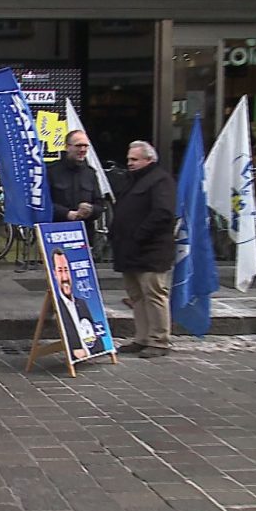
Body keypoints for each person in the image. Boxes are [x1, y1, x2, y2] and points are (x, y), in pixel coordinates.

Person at [110, 140, 177, 358]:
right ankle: (142, 337)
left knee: (154, 294)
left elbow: (163, 213)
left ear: (149, 159)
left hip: (151, 250)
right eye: (129, 159)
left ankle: (159, 340)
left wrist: (139, 235)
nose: (129, 163)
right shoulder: (132, 180)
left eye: (134, 159)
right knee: (136, 296)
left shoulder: (160, 180)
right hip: (130, 251)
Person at [48, 130, 104, 243]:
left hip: (84, 236)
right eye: (78, 145)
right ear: (67, 147)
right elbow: (43, 203)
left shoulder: (90, 173)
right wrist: (66, 214)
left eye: (85, 146)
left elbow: (100, 205)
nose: (83, 150)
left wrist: (90, 210)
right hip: (57, 233)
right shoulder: (51, 171)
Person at [50, 248, 105, 359]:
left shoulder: (82, 304)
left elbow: (98, 344)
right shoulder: (58, 306)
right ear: (54, 274)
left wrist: (89, 351)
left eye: (66, 270)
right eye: (60, 271)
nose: (65, 277)